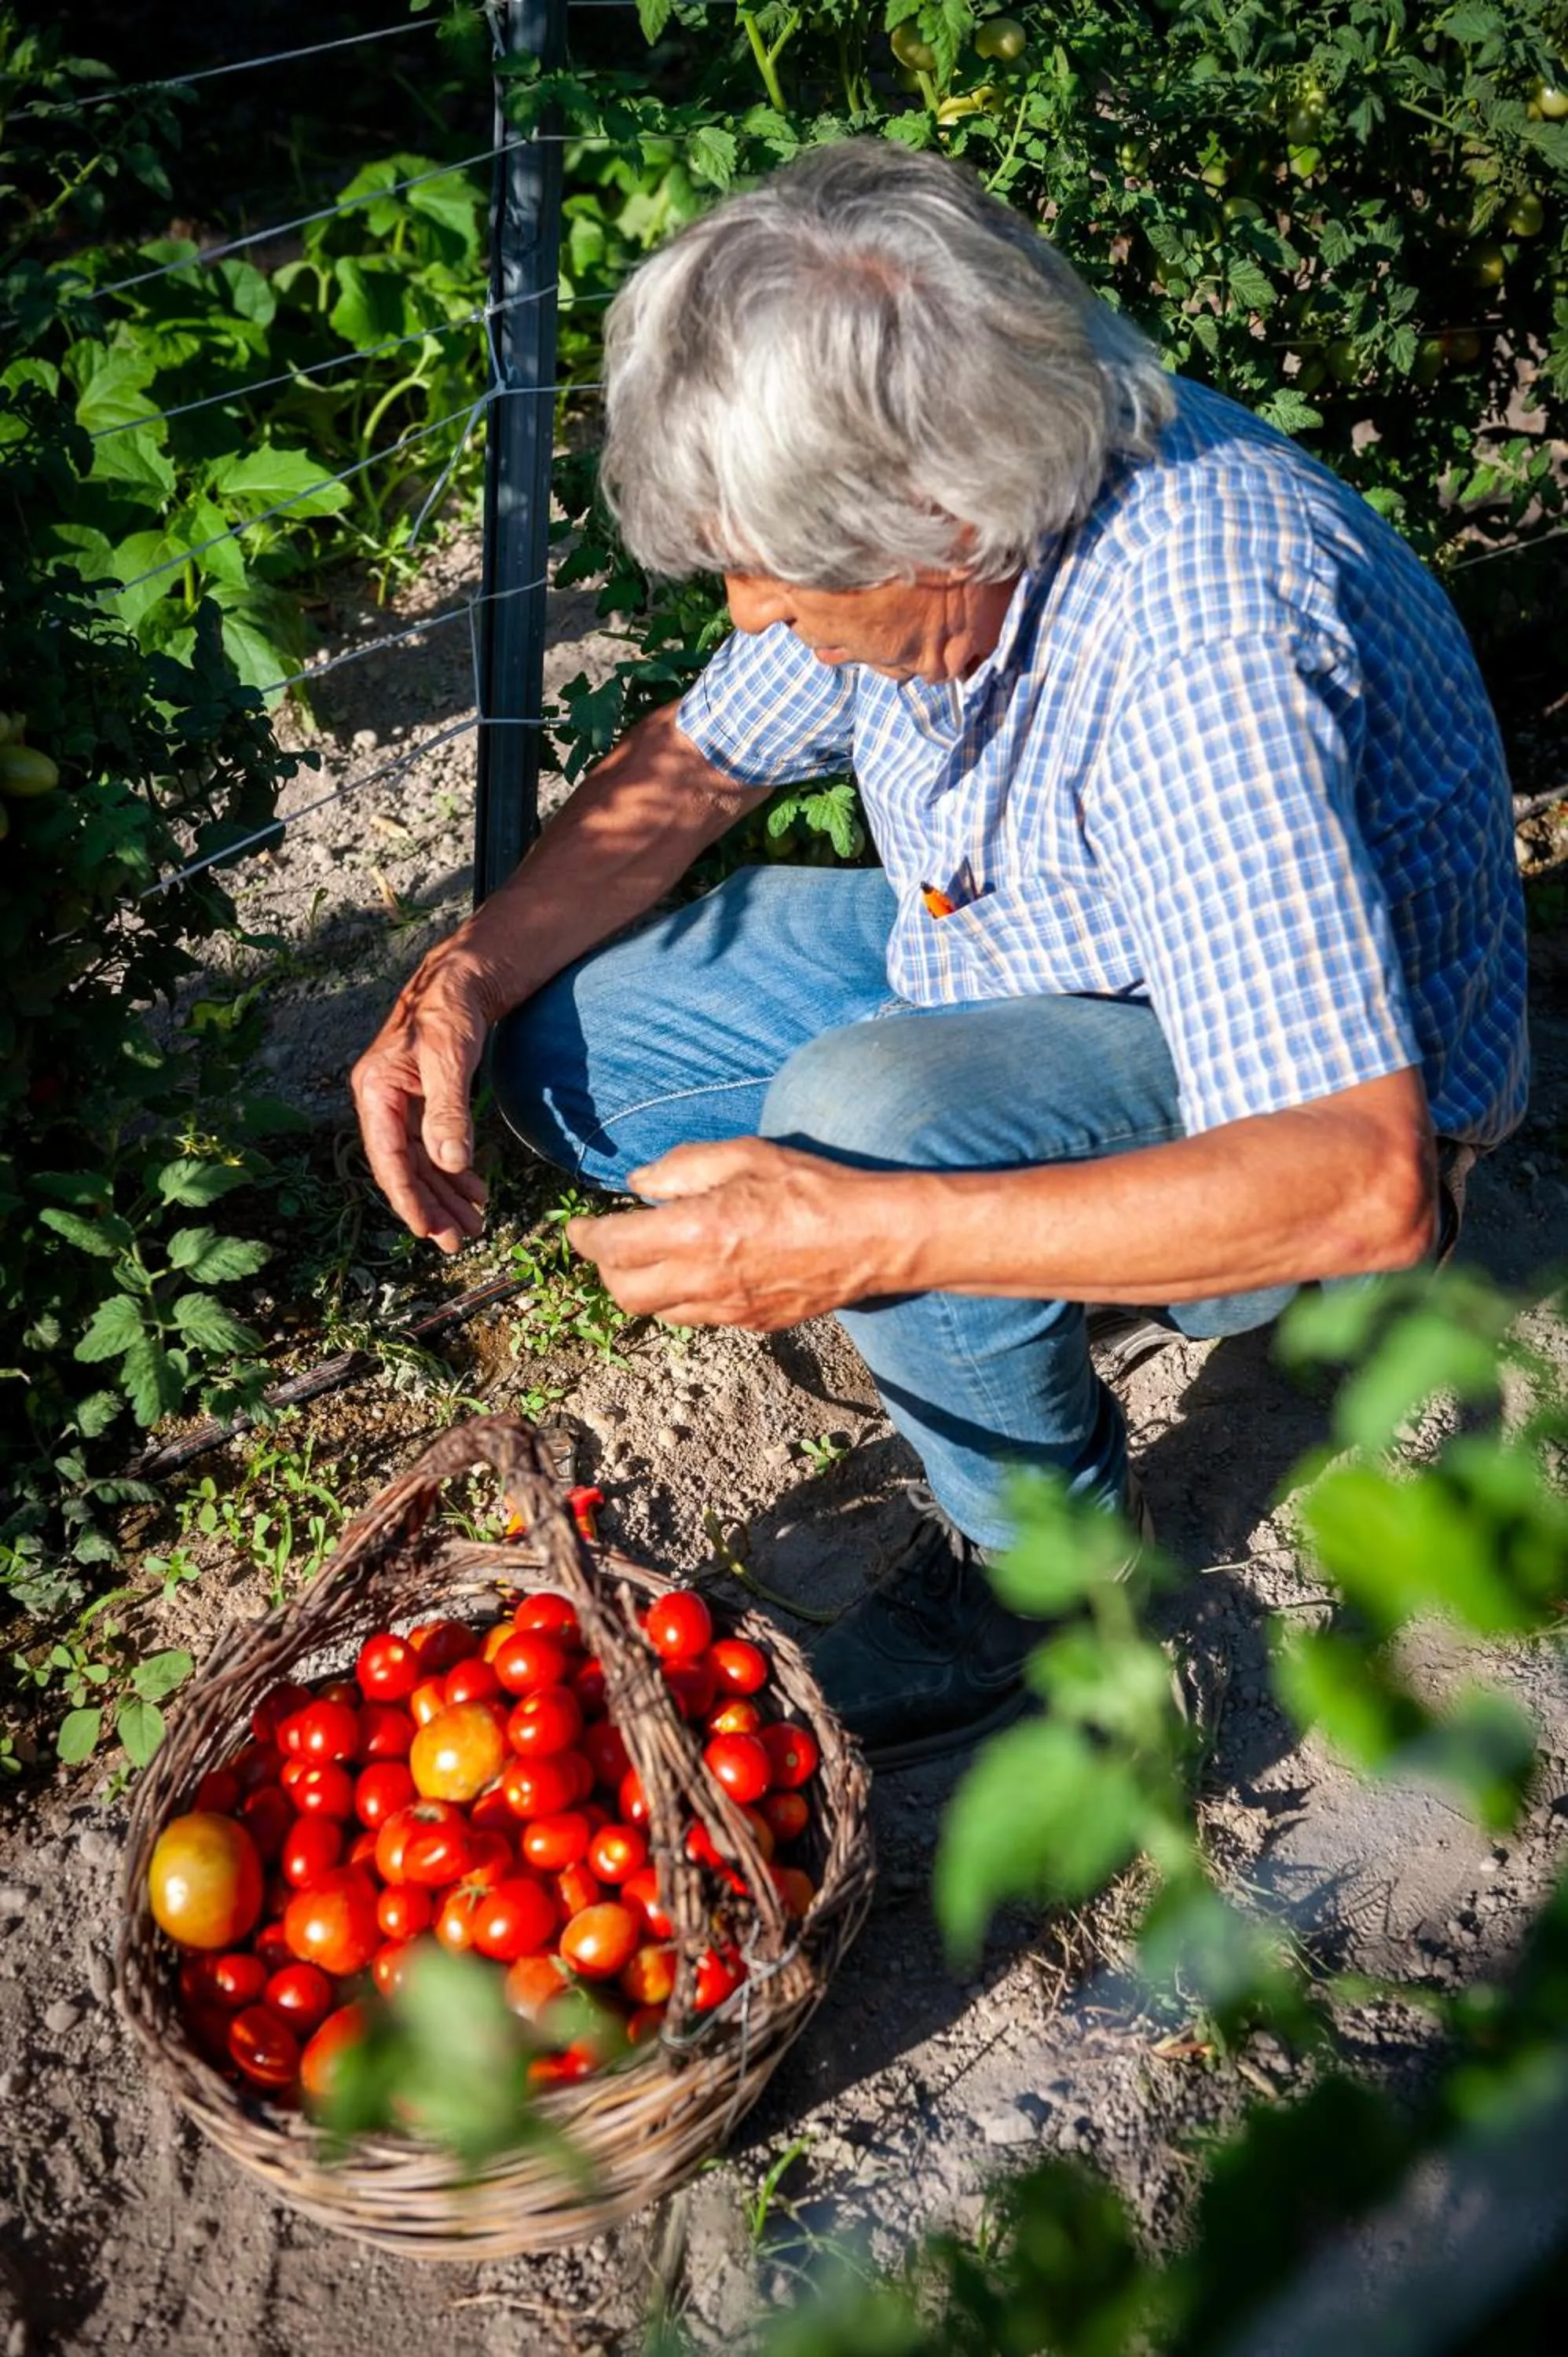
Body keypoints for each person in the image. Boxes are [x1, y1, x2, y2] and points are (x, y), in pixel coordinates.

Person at [350, 141, 1528, 1769]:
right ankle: (1039, 1253)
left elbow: (1360, 1180)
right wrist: (464, 978)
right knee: (577, 1044)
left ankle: (1044, 1583)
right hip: (1044, 948)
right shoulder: (947, 517)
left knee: (875, 1120)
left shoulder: (1202, 644)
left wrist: (870, 1233)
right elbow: (697, 767)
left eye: (775, 574)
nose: (751, 614)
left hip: (1317, 1115)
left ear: (946, 518)